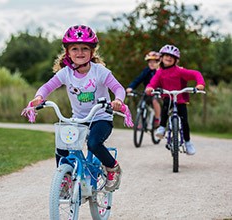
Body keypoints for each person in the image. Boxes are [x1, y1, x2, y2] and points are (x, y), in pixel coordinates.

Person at [27, 25, 126, 192]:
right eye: (75, 49)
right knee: (61, 145)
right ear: (68, 52)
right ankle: (65, 179)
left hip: (101, 118)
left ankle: (113, 168)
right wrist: (39, 97)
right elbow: (47, 87)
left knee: (94, 143)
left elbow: (119, 88)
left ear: (92, 52)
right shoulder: (66, 73)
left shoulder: (99, 71)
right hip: (79, 120)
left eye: (85, 48)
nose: (80, 52)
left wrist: (118, 100)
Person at [145, 44, 205, 155]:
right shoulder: (160, 72)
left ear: (176, 60)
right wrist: (150, 87)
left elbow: (196, 74)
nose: (169, 58)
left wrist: (200, 84)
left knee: (184, 121)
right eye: (166, 55)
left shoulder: (180, 71)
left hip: (180, 99)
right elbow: (153, 83)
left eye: (172, 57)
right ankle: (162, 127)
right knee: (165, 106)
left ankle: (187, 142)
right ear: (161, 58)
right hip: (168, 97)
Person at [126, 51, 161, 128]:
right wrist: (131, 87)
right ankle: (141, 122)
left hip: (158, 93)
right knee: (141, 103)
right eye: (150, 62)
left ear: (158, 62)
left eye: (154, 62)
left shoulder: (160, 71)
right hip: (148, 92)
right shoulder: (147, 71)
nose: (151, 64)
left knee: (155, 101)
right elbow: (138, 79)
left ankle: (157, 119)